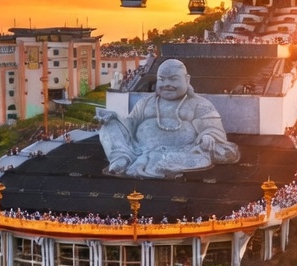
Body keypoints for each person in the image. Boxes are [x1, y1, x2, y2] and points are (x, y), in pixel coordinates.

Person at [98, 59, 239, 178]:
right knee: (108, 125)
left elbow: (213, 128)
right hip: (137, 149)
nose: (166, 84)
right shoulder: (146, 103)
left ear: (187, 79)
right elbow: (131, 123)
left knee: (169, 159)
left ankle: (154, 160)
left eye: (173, 79)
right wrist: (114, 118)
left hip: (182, 151)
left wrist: (208, 136)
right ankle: (122, 157)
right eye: (161, 79)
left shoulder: (199, 104)